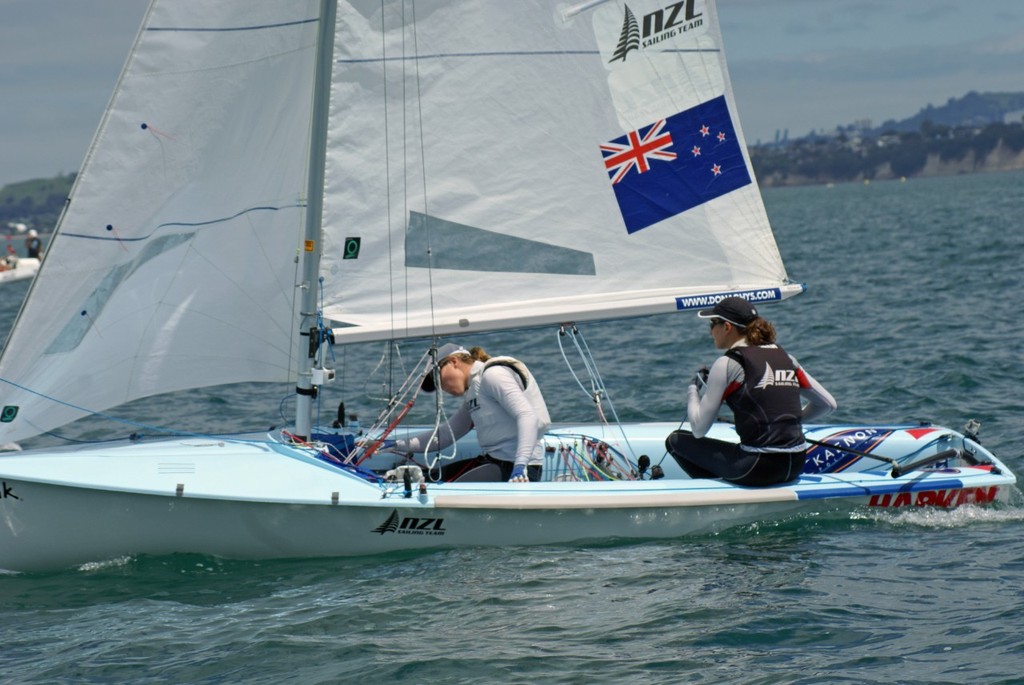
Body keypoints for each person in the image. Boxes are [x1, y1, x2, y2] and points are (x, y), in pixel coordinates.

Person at [666, 296, 836, 486]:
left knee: (675, 441)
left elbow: (698, 429)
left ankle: (720, 499)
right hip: (796, 463)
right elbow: (828, 404)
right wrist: (785, 422)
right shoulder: (787, 358)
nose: (710, 331)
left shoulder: (727, 364)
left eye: (713, 323)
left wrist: (692, 390)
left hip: (757, 468)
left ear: (727, 327)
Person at [393, 343, 551, 483]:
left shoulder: (492, 375)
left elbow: (527, 416)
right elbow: (446, 436)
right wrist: (394, 445)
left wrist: (520, 466)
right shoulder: (474, 391)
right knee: (429, 479)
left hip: (519, 471)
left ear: (454, 362)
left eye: (438, 378)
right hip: (495, 464)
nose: (440, 387)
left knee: (434, 486)